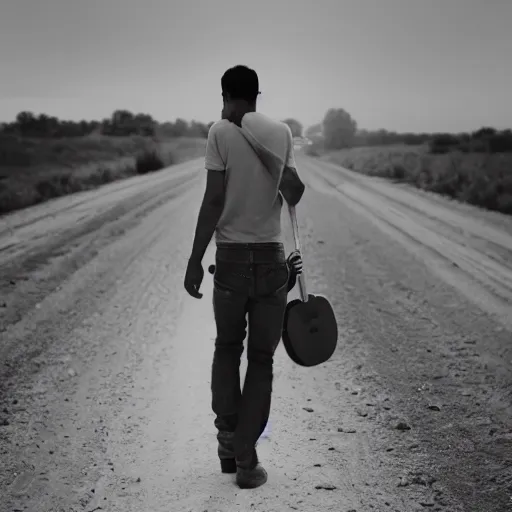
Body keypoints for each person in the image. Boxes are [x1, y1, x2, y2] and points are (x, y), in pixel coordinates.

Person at [184, 64, 305, 489]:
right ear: (258, 95)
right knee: (261, 361)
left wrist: (195, 259)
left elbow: (213, 200)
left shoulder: (219, 132)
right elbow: (293, 193)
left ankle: (226, 442)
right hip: (272, 260)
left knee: (226, 349)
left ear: (225, 95)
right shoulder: (284, 133)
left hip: (231, 261)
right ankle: (248, 455)